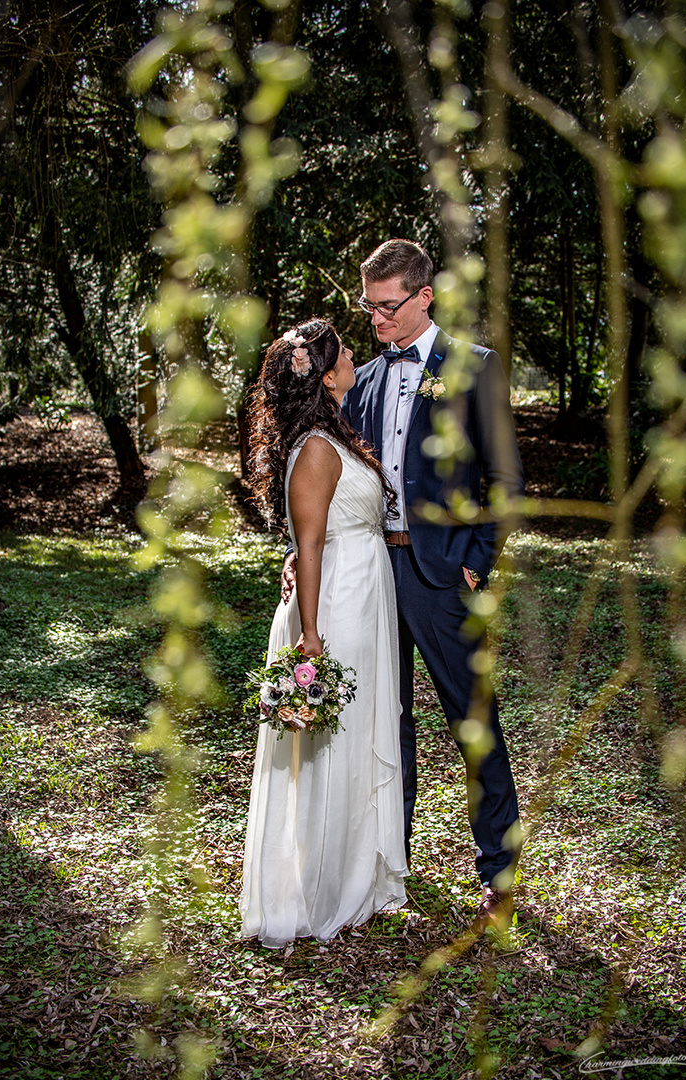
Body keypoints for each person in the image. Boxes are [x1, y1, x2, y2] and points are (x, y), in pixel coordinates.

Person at [283, 240, 524, 928]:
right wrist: (304, 553)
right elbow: (324, 475)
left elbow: (505, 481)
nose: (377, 321)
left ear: (425, 296)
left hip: (445, 575)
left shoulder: (475, 368)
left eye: (389, 307)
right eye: (369, 307)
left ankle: (498, 873)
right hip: (368, 573)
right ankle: (391, 863)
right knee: (384, 724)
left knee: (473, 720)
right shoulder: (359, 379)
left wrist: (479, 559)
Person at [240, 317, 408, 948]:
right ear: (325, 372)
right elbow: (308, 545)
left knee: (358, 732)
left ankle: (357, 875)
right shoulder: (314, 446)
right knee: (332, 744)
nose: (355, 359)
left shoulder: (330, 433)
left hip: (363, 592)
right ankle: (322, 888)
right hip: (336, 603)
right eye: (345, 353)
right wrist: (310, 633)